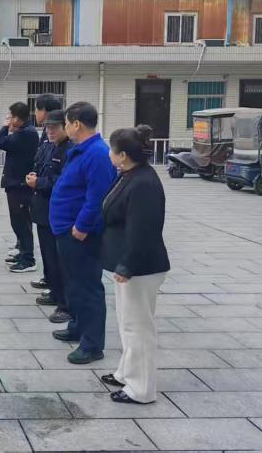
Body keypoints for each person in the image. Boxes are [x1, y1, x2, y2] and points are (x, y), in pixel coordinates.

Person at [100, 125, 170, 404]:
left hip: (141, 268)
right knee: (127, 322)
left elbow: (143, 230)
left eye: (112, 149)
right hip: (127, 263)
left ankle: (141, 389)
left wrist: (127, 265)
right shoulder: (130, 174)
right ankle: (127, 373)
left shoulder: (143, 183)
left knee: (138, 327)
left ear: (123, 155)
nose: (109, 153)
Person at [49, 102, 116, 365]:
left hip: (80, 235)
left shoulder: (97, 154)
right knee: (74, 284)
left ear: (76, 124)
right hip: (65, 231)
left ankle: (92, 344)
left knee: (88, 287)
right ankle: (77, 325)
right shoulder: (80, 150)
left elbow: (97, 197)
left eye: (66, 123)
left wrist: (81, 227)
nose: (65, 128)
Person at [25, 109, 72, 323]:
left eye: (55, 128)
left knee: (59, 260)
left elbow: (63, 183)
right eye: (48, 128)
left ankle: (65, 304)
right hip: (43, 209)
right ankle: (54, 291)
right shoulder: (48, 146)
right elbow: (40, 167)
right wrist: (34, 177)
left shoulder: (69, 150)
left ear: (66, 127)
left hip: (58, 212)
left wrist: (40, 182)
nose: (50, 131)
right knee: (48, 257)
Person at [0, 102, 39, 273]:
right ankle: (22, 251)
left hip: (20, 184)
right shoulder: (24, 131)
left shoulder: (26, 133)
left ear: (16, 118)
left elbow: (1, 142)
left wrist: (5, 127)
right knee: (18, 220)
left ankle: (28, 259)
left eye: (10, 116)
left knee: (21, 221)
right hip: (16, 183)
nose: (8, 119)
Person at [27, 94, 64, 291]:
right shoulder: (47, 137)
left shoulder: (66, 147)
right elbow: (42, 162)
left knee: (54, 251)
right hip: (42, 202)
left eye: (37, 109)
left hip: (52, 205)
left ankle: (56, 290)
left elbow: (61, 178)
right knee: (47, 249)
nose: (50, 131)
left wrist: (39, 182)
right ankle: (50, 281)